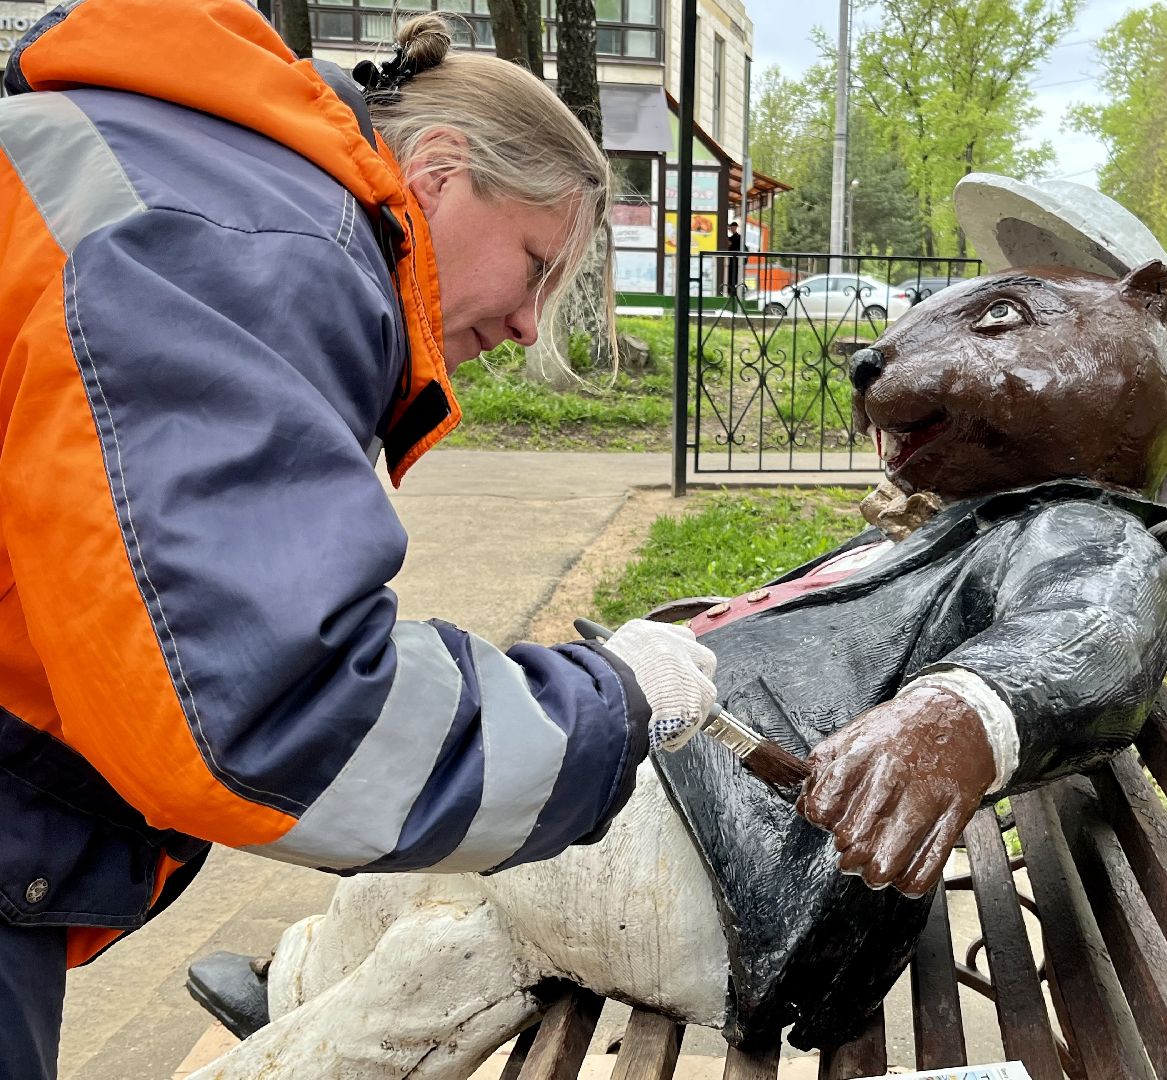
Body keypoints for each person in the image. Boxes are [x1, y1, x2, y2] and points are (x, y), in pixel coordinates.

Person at [181, 176, 1167, 1076]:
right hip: (700, 799)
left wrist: (963, 717)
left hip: (751, 859)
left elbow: (1092, 636)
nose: (880, 359)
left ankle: (295, 1035)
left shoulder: (1083, 532)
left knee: (483, 851)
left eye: (1003, 318)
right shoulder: (976, 522)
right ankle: (303, 983)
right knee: (463, 867)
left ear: (1141, 325)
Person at [0, 3, 718, 1077]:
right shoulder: (256, 247)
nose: (528, 325)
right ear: (436, 169)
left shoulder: (197, 177)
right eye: (534, 265)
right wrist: (615, 706)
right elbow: (269, 707)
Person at [722, 219, 744, 296]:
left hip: (734, 260)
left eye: (733, 227)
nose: (731, 229)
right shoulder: (734, 238)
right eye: (731, 228)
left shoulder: (736, 238)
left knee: (733, 276)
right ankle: (732, 291)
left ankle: (732, 291)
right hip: (734, 260)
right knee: (732, 276)